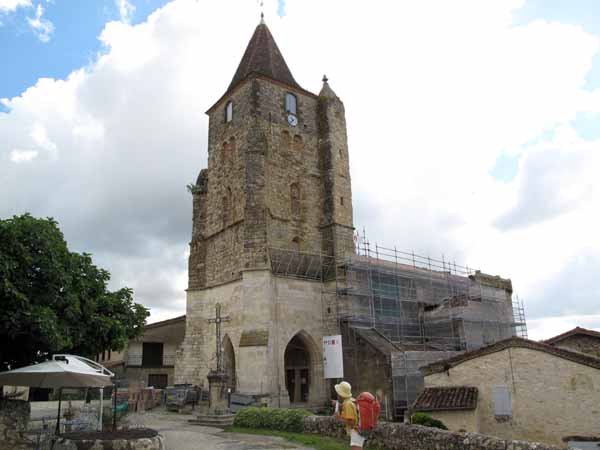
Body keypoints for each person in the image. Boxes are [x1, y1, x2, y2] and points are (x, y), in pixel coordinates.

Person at [333, 381, 365, 449]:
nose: (337, 394)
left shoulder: (347, 404)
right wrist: (339, 405)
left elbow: (351, 422)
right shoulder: (350, 400)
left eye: (338, 392)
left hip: (356, 432)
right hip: (360, 430)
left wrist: (339, 418)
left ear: (341, 394)